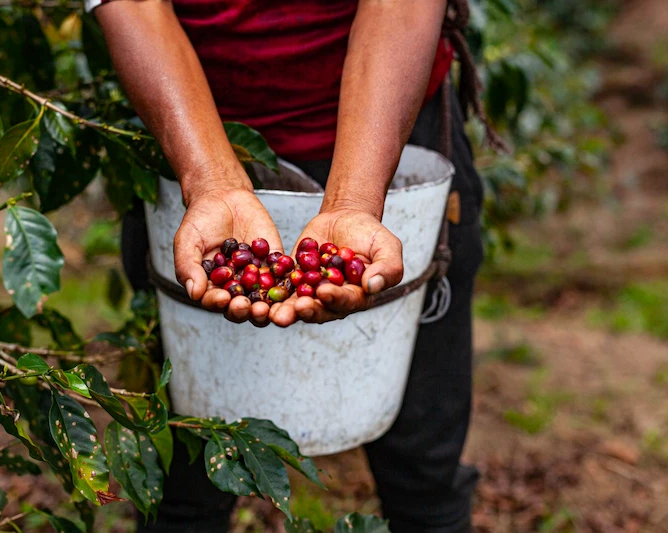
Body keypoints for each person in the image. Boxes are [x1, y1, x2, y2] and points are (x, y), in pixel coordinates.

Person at [89, 1, 488, 531]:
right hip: (187, 132)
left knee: (425, 469)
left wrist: (353, 202)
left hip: (395, 122)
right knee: (183, 475)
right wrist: (211, 181)